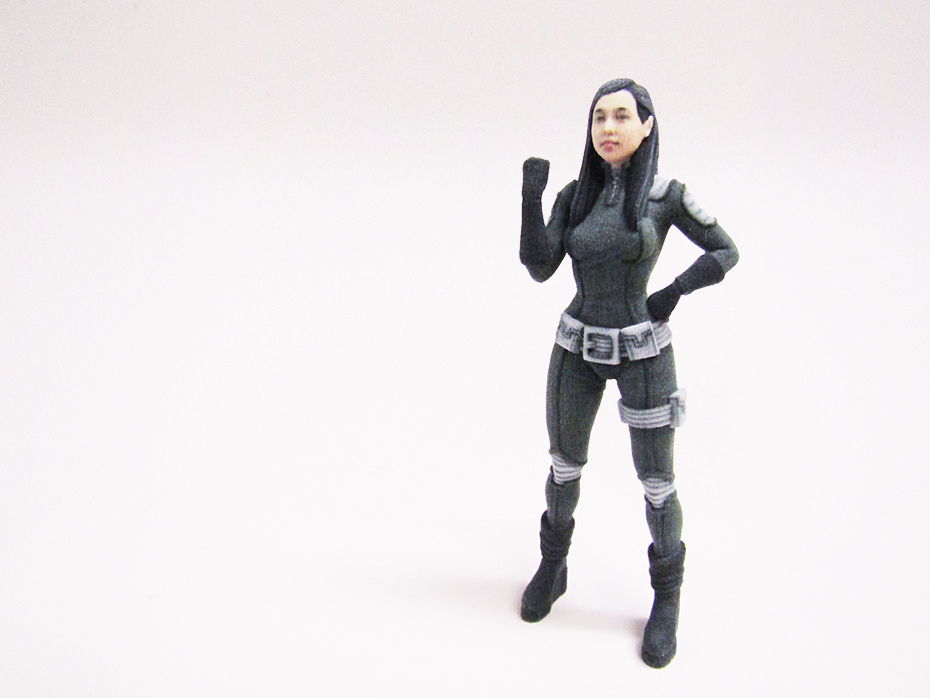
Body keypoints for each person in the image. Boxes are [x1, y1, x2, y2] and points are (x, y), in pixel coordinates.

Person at [518, 78, 738, 668]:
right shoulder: (576, 195)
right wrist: (531, 198)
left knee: (658, 482)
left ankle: (667, 598)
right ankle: (553, 565)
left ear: (646, 126)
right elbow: (540, 265)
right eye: (599, 118)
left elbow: (725, 250)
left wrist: (673, 291)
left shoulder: (665, 195)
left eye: (621, 116)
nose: (608, 128)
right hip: (577, 346)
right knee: (563, 465)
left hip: (643, 350)